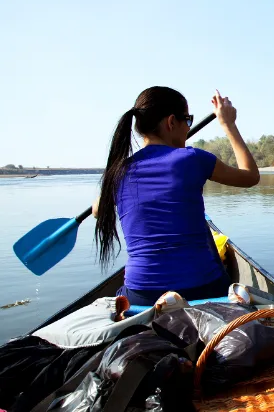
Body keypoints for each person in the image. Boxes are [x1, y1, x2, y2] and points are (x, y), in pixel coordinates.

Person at [92, 87, 260, 306]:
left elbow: (98, 211)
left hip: (140, 295)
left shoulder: (117, 171)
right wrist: (228, 124)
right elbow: (250, 176)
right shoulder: (192, 158)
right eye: (187, 120)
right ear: (171, 122)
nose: (188, 128)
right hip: (202, 290)